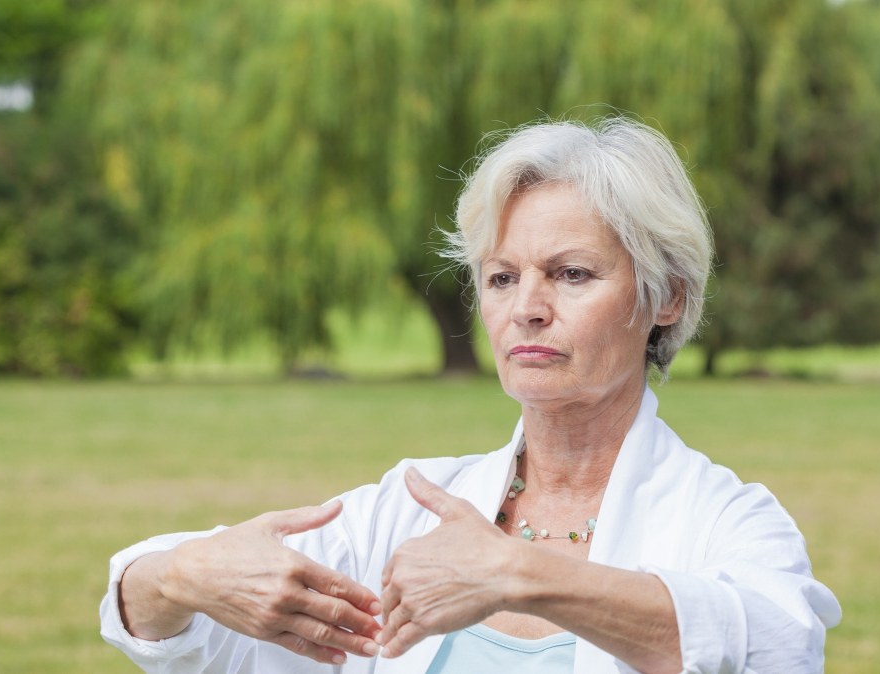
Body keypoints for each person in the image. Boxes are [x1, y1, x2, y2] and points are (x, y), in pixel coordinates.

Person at [99, 118, 842, 673]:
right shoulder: (412, 506)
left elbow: (775, 645)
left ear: (667, 298)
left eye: (573, 273)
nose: (528, 307)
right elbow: (175, 630)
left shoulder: (725, 519)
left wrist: (520, 574)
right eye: (502, 277)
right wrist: (185, 574)